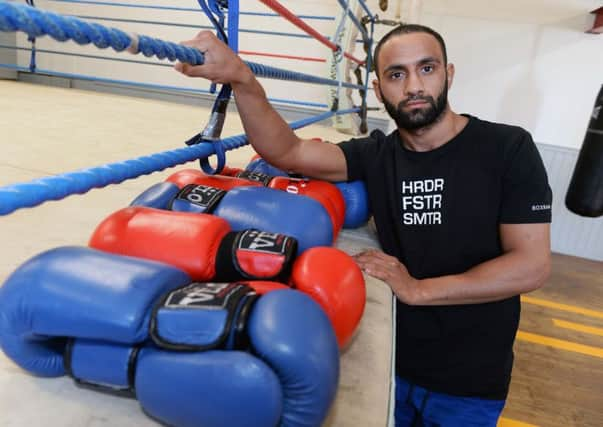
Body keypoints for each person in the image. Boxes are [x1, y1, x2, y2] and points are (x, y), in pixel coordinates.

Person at [175, 24, 552, 427]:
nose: (413, 86)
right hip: (392, 364)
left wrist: (419, 289)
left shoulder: (506, 148)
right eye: (396, 74)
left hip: (469, 381)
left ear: (449, 74)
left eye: (427, 69)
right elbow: (287, 151)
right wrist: (242, 79)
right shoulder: (377, 154)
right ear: (378, 88)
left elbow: (530, 265)